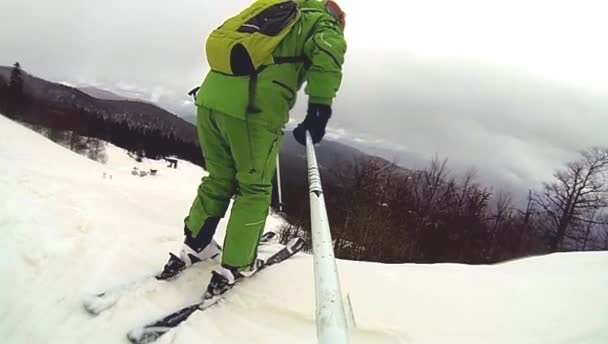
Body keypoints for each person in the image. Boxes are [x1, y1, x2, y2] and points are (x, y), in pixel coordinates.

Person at [159, 0, 347, 300]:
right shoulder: (322, 23)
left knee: (218, 178)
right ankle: (235, 265)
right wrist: (319, 111)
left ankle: (196, 244)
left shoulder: (273, 8)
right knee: (254, 188)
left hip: (208, 101)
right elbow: (327, 55)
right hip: (251, 111)